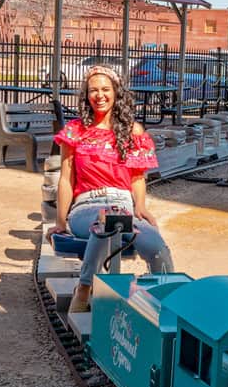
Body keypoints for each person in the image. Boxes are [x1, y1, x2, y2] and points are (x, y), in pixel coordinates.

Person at [47, 64, 173, 313]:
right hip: (87, 206)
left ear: (116, 92)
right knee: (105, 222)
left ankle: (165, 299)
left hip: (123, 205)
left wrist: (141, 207)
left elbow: (137, 177)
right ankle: (84, 289)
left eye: (105, 89)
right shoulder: (75, 131)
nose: (99, 95)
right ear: (86, 95)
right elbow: (66, 178)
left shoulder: (132, 131)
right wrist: (61, 221)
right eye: (93, 90)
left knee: (155, 243)